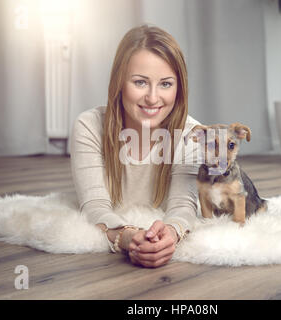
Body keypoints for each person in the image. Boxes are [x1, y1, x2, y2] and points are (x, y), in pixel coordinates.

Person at [70, 24, 201, 268]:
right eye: (140, 82)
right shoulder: (89, 125)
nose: (152, 98)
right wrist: (128, 237)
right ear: (119, 82)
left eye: (165, 84)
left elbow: (183, 206)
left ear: (179, 88)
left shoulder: (192, 134)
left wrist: (170, 235)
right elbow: (94, 206)